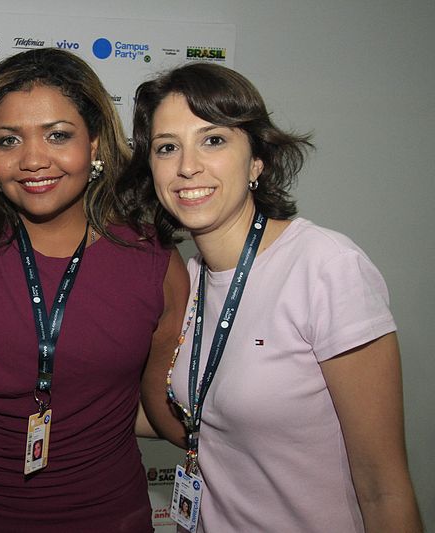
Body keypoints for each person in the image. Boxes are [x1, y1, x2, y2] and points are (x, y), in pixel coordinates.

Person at [0, 48, 189, 533]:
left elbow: (163, 409)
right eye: (9, 140)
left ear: (94, 145)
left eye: (57, 135)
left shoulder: (156, 263)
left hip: (109, 519)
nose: (32, 159)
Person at [119, 62, 423, 532]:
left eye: (213, 140)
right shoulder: (183, 278)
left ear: (256, 160)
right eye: (167, 147)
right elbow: (195, 414)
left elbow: (383, 487)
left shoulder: (325, 267)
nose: (187, 166)